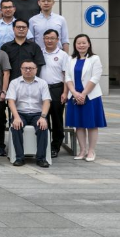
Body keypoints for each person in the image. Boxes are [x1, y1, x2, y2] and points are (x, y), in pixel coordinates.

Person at [65, 34, 106, 162]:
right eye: (78, 43)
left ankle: (91, 151)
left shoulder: (94, 58)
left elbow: (95, 77)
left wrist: (83, 94)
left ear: (89, 44)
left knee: (91, 124)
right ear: (75, 45)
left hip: (91, 96)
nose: (81, 45)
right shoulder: (70, 59)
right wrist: (74, 93)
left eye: (84, 43)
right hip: (74, 96)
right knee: (79, 124)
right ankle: (82, 150)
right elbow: (67, 77)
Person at [6, 59, 51, 168]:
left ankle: (41, 158)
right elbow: (11, 101)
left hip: (37, 113)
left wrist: (43, 117)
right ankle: (19, 158)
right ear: (21, 70)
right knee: (16, 127)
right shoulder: (14, 82)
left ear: (36, 70)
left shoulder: (42, 83)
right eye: (25, 68)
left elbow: (46, 101)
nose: (28, 70)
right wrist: (16, 117)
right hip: (20, 113)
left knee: (43, 127)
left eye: (31, 68)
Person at [40, 29, 69, 158]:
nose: (49, 40)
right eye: (47, 38)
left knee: (57, 119)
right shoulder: (39, 52)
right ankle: (44, 144)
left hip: (57, 89)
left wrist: (65, 92)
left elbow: (67, 75)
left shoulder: (63, 55)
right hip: (42, 89)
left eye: (52, 38)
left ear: (57, 40)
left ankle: (55, 146)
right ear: (43, 39)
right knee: (43, 117)